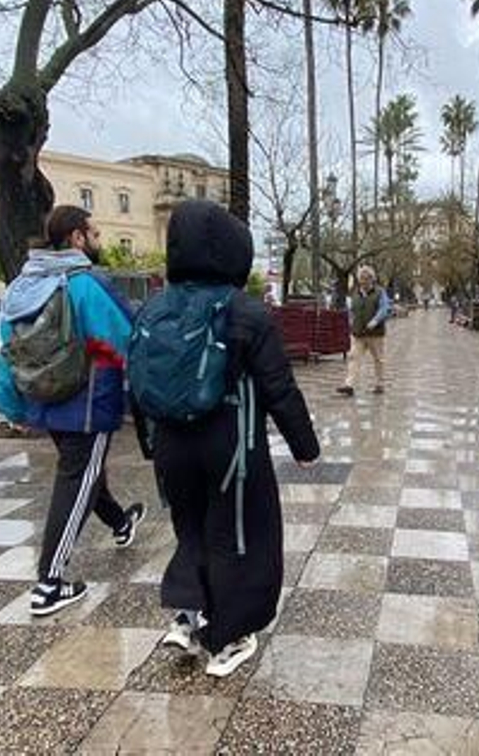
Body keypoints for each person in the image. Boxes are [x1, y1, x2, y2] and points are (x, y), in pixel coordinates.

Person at [135, 201, 319, 678]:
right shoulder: (245, 310)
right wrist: (305, 447)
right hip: (231, 447)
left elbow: (137, 383)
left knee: (190, 529)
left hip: (172, 448)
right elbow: (279, 387)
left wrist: (149, 444)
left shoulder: (153, 308)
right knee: (239, 537)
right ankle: (227, 640)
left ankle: (186, 617)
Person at [0, 205, 146, 617]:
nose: (98, 242)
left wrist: (11, 404)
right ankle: (49, 582)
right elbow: (124, 338)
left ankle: (119, 522)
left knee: (83, 473)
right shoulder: (84, 284)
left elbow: (7, 351)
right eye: (94, 234)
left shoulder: (20, 287)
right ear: (77, 238)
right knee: (78, 478)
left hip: (43, 400)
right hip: (88, 402)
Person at [337, 265, 390, 396]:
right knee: (354, 358)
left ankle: (380, 384)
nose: (364, 281)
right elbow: (351, 311)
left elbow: (385, 309)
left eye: (367, 279)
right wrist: (350, 323)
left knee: (378, 359)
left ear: (372, 279)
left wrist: (375, 320)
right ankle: (349, 385)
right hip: (358, 333)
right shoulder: (355, 293)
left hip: (375, 334)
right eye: (361, 278)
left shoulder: (380, 292)